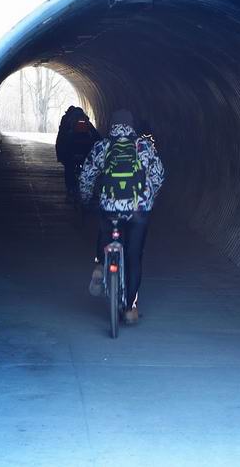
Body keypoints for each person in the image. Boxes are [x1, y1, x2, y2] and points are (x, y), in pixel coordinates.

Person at [79, 108, 165, 323]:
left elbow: (87, 175)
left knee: (105, 229)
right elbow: (159, 175)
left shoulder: (103, 146)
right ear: (132, 125)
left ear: (112, 125)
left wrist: (87, 197)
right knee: (134, 257)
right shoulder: (143, 146)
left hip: (110, 207)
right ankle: (129, 309)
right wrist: (149, 196)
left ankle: (100, 264)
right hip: (138, 210)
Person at [55, 105, 100, 200]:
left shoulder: (66, 121)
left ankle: (70, 189)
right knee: (88, 168)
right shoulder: (86, 122)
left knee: (69, 168)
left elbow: (60, 140)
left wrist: (61, 157)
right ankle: (89, 190)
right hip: (85, 150)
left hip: (71, 151)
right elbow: (97, 136)